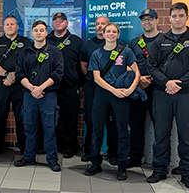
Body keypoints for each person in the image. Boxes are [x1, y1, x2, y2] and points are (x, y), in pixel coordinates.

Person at [146, 2, 189, 190]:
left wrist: (178, 84)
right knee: (161, 134)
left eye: (181, 15)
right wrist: (166, 82)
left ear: (187, 17)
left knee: (187, 136)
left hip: (187, 95)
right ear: (170, 18)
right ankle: (159, 170)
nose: (177, 19)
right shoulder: (161, 39)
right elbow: (151, 66)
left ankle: (187, 173)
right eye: (174, 16)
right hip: (162, 94)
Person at [84, 23, 140, 180]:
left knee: (122, 130)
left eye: (113, 31)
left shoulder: (126, 51)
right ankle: (95, 163)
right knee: (97, 130)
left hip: (122, 94)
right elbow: (96, 78)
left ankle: (122, 165)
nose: (110, 34)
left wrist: (130, 90)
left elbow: (136, 73)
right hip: (103, 93)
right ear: (104, 33)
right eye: (108, 31)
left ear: (117, 34)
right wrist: (113, 90)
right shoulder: (97, 53)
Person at [13, 20, 64, 172]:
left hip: (48, 95)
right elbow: (19, 73)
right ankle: (29, 157)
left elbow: (58, 73)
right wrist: (32, 88)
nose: (39, 33)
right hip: (29, 95)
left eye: (42, 30)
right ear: (32, 33)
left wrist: (40, 88)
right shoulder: (25, 53)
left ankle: (52, 159)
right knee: (30, 128)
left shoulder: (55, 52)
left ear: (46, 32)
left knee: (49, 129)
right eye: (36, 30)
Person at [79, 16, 123, 164]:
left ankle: (113, 152)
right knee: (92, 120)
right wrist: (95, 80)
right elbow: (83, 66)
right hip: (93, 87)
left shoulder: (121, 46)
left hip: (115, 89)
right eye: (97, 24)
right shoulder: (88, 45)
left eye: (103, 24)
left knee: (113, 121)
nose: (100, 26)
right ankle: (89, 150)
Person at [0, 15, 31, 157]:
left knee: (22, 117)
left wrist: (14, 77)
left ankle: (24, 148)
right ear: (3, 27)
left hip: (21, 86)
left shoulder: (26, 43)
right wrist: (7, 75)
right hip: (2, 85)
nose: (10, 26)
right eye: (7, 24)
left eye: (12, 24)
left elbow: (30, 63)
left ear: (17, 27)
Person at [126, 8, 162, 168]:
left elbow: (170, 65)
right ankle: (134, 158)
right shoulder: (134, 42)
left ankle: (160, 161)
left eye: (150, 19)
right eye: (144, 19)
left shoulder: (165, 40)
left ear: (157, 20)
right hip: (138, 88)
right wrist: (138, 78)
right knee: (136, 124)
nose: (147, 22)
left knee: (160, 126)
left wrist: (153, 78)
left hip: (159, 90)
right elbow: (127, 64)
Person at [46, 12, 84, 158]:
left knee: (70, 119)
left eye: (61, 21)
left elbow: (82, 65)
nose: (58, 23)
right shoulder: (46, 40)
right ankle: (54, 146)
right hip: (50, 88)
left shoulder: (76, 41)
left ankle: (69, 147)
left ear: (67, 23)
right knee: (51, 119)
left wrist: (78, 83)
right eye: (55, 21)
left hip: (69, 87)